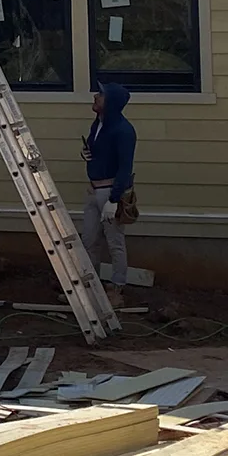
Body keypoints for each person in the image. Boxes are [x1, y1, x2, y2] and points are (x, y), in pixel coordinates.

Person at [79, 81, 136, 303]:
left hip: (110, 192)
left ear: (111, 102)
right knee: (89, 240)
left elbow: (125, 168)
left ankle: (117, 288)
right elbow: (98, 151)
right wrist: (86, 153)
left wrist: (114, 200)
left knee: (115, 242)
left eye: (101, 95)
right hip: (93, 191)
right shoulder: (98, 124)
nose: (95, 96)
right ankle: (91, 287)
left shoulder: (124, 131)